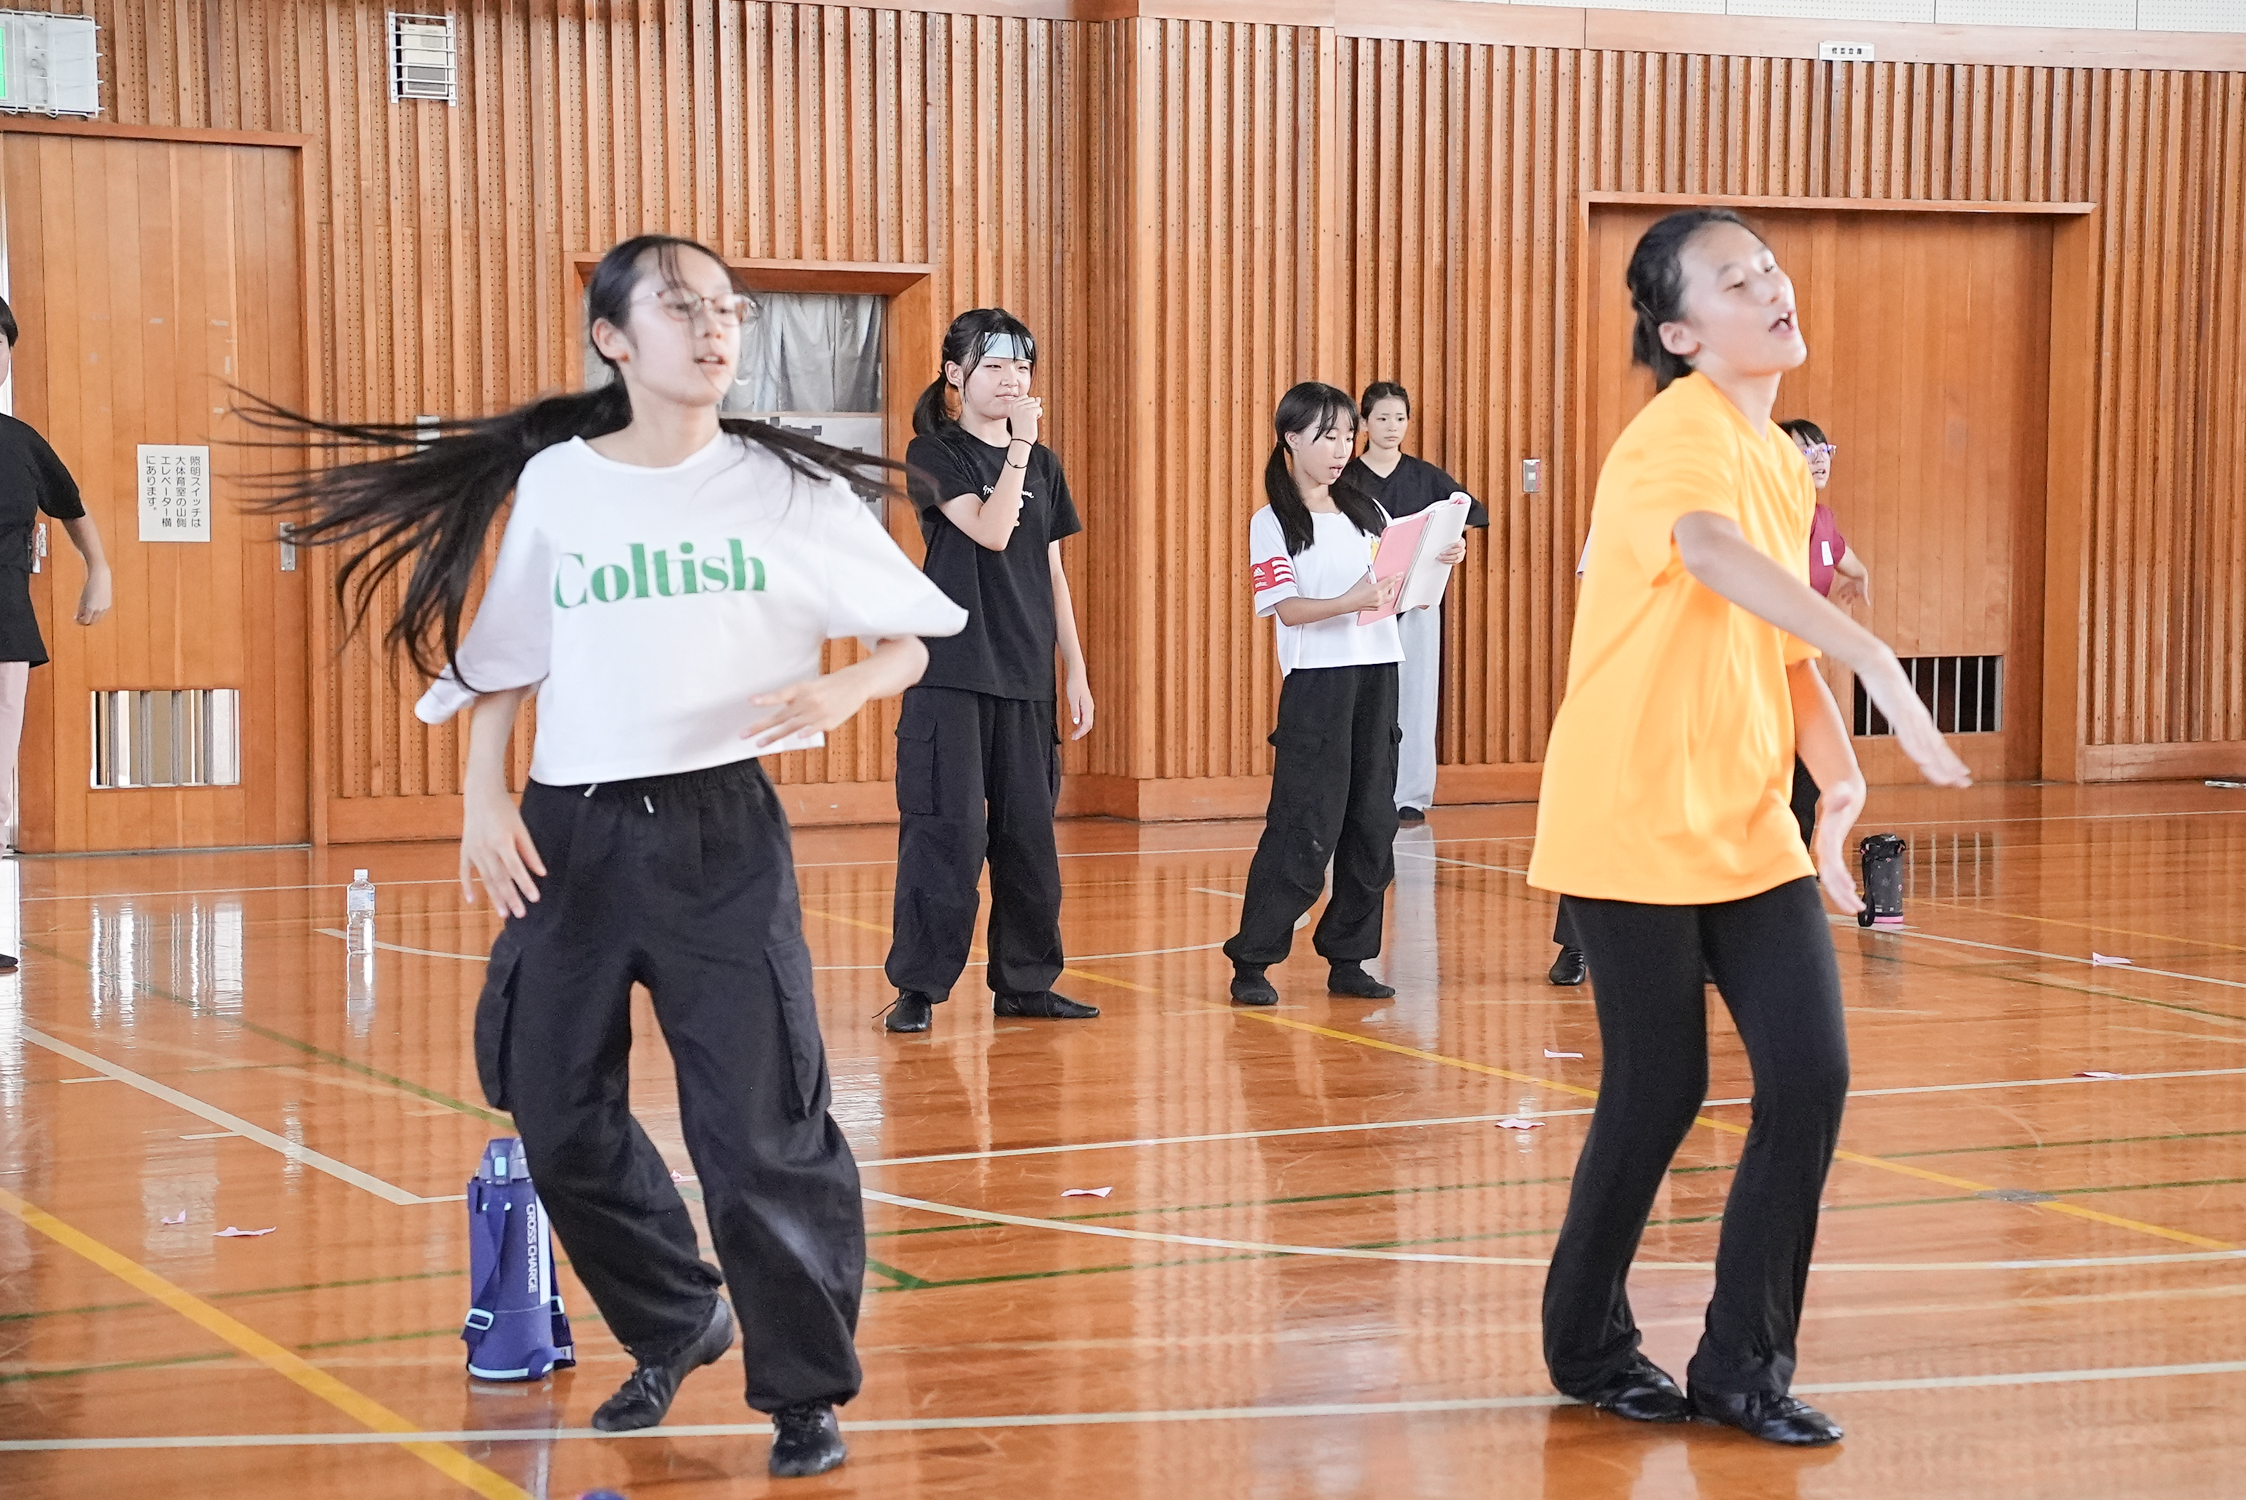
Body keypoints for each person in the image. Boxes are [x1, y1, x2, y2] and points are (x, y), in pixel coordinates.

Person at [247, 235, 967, 1480]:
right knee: (549, 1103)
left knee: (758, 1125)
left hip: (719, 838)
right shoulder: (563, 487)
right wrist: (481, 800)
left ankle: (801, 1394)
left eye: (727, 309)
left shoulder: (786, 490)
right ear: (613, 340)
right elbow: (502, 659)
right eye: (679, 308)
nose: (713, 328)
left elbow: (914, 637)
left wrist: (849, 689)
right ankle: (678, 1317)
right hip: (570, 833)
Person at [1528, 208, 1969, 1446]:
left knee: (1810, 1076)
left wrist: (1837, 778)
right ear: (1679, 333)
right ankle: (1587, 1345)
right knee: (1656, 1089)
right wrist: (1876, 653)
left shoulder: (1778, 457)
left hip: (1741, 821)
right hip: (1629, 813)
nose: (1771, 286)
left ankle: (1741, 1369)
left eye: (1768, 267)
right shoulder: (1670, 440)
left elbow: (1773, 648)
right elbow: (1708, 554)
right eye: (1735, 280)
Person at [881, 309, 1097, 1035]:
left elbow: (1052, 572)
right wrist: (1018, 451)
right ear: (955, 375)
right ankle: (918, 987)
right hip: (952, 673)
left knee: (1029, 838)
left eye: (1023, 367)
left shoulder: (1046, 464)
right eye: (996, 365)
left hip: (1027, 675)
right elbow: (994, 530)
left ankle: (1027, 983)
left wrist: (1075, 670)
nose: (1014, 380)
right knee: (945, 836)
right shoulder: (933, 452)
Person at [1225, 382, 1465, 1007]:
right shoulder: (1272, 521)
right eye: (1325, 436)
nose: (1339, 450)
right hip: (1318, 685)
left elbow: (1400, 590)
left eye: (1344, 436)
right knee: (1305, 823)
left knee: (1372, 823)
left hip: (1377, 674)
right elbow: (1289, 609)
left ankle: (1350, 957)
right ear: (1290, 439)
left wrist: (1437, 561)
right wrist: (1352, 601)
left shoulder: (1370, 513)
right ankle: (1253, 958)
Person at [0, 296, 114, 907]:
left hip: (5, 626)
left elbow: (70, 503)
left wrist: (98, 568)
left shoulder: (21, 442)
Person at [1343, 382, 1488, 823]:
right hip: (1362, 601)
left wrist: (1455, 548)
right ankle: (1359, 792)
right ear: (1364, 423)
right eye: (1382, 418)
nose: (1392, 427)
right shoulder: (1346, 478)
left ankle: (1410, 795)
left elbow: (1460, 522)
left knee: (1417, 696)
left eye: (1400, 418)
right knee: (1362, 697)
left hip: (1419, 601)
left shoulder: (1427, 476)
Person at [1777, 417, 1871, 848]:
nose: (1818, 460)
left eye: (1823, 450)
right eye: (1805, 450)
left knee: (1808, 770)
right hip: (1756, 658)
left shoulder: (1822, 520)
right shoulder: (1769, 517)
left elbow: (1844, 559)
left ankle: (1795, 863)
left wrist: (1860, 577)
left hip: (1796, 662)